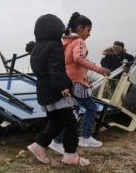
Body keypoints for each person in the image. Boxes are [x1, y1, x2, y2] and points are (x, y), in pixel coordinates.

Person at [26, 14, 90, 166]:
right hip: (58, 91)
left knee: (56, 122)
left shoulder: (37, 48)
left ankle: (39, 145)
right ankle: (70, 154)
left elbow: (40, 70)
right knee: (72, 121)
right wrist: (62, 86)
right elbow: (55, 69)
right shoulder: (54, 46)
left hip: (44, 91)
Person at [50, 12, 110, 152]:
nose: (89, 34)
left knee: (73, 113)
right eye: (88, 30)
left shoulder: (65, 41)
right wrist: (99, 69)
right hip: (77, 82)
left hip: (67, 81)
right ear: (80, 28)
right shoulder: (79, 42)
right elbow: (78, 58)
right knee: (91, 108)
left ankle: (57, 140)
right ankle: (85, 137)